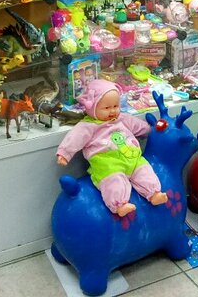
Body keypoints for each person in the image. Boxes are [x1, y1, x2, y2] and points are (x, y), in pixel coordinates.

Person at [56, 79, 167, 217]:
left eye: (116, 106)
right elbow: (74, 138)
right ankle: (119, 204)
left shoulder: (122, 119)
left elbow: (138, 126)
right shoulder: (87, 126)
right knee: (113, 181)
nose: (113, 111)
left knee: (144, 170)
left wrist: (151, 130)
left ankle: (154, 193)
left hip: (132, 158)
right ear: (92, 107)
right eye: (107, 108)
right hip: (108, 163)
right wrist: (64, 153)